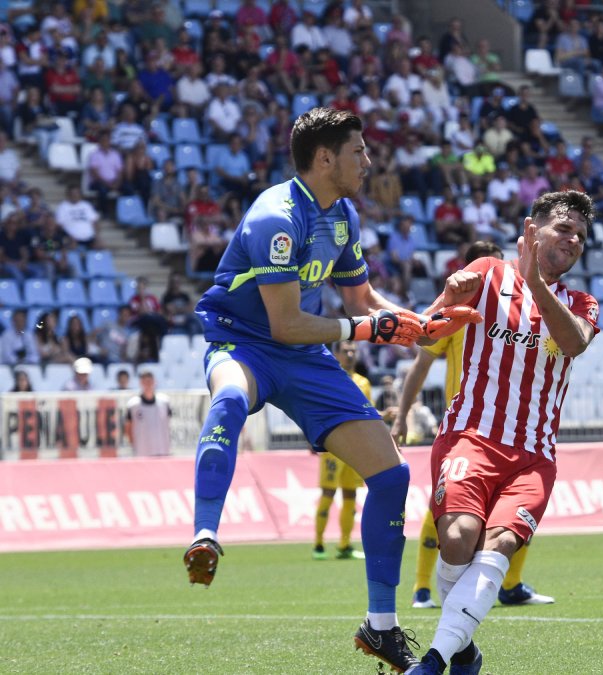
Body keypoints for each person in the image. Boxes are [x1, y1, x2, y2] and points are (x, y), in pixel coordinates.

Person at [181, 108, 481, 673]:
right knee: (230, 399)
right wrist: (366, 330)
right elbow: (285, 324)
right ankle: (205, 534)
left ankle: (381, 628)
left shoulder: (341, 215)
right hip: (244, 343)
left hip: (307, 357)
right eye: (358, 151)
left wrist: (418, 323)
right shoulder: (276, 218)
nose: (368, 162)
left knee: (391, 475)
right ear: (325, 158)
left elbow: (361, 301)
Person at [404, 191, 599, 675]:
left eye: (581, 235)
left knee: (498, 546)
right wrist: (450, 299)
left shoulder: (582, 303)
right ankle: (463, 650)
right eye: (564, 228)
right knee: (458, 539)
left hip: (534, 455)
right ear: (532, 230)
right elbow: (424, 335)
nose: (574, 240)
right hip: (470, 436)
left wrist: (534, 283)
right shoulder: (487, 273)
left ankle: (434, 661)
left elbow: (572, 343)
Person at [394, 241, 554, 612]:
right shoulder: (459, 314)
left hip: (511, 430)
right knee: (444, 513)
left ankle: (509, 585)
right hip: (464, 427)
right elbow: (421, 361)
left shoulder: (519, 314)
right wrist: (402, 415)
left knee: (513, 515)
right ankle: (422, 588)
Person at [312, 340, 371, 561]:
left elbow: (368, 413)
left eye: (353, 351)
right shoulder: (329, 377)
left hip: (356, 447)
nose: (350, 354)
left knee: (350, 494)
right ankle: (318, 544)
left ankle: (344, 545)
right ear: (336, 354)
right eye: (345, 351)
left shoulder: (364, 382)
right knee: (328, 493)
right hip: (334, 446)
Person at [124, 369, 171, 457]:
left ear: (154, 382)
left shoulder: (164, 402)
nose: (148, 384)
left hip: (162, 449)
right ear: (141, 383)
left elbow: (168, 424)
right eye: (145, 382)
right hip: (142, 451)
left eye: (150, 381)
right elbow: (128, 427)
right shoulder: (133, 404)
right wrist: (133, 444)